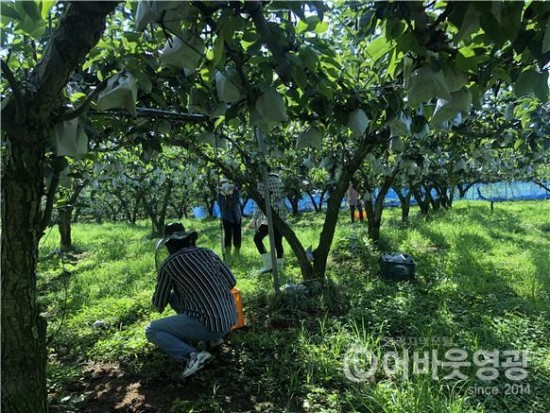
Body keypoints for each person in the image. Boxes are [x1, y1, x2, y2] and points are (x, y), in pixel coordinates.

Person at [145, 222, 237, 378]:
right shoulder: (208, 253)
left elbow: (159, 304)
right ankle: (215, 340)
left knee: (152, 330)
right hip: (230, 319)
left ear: (169, 245)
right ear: (187, 239)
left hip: (209, 324)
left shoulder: (170, 264)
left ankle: (192, 356)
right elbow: (231, 282)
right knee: (175, 297)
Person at [248, 172, 287, 273]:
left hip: (270, 216)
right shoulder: (278, 179)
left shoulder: (262, 182)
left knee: (257, 239)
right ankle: (279, 267)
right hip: (281, 215)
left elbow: (261, 202)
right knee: (278, 242)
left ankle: (269, 265)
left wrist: (254, 219)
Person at [217, 178, 242, 255]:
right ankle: (227, 252)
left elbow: (236, 202)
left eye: (225, 183)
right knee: (227, 235)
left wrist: (231, 193)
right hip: (226, 216)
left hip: (236, 216)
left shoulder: (235, 191)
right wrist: (224, 195)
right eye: (222, 184)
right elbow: (222, 206)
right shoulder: (219, 194)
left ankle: (236, 251)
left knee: (237, 234)